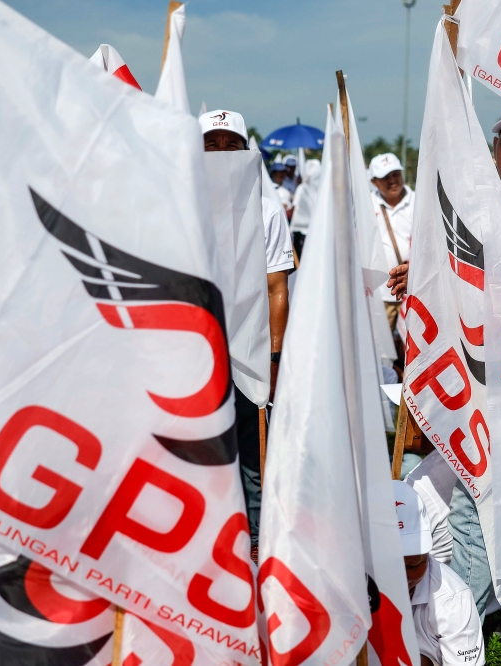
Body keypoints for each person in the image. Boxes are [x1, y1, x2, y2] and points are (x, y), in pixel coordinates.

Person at [386, 104, 501, 619]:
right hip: (474, 375)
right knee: (446, 493)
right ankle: (464, 607)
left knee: (474, 507)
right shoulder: (496, 205)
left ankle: (460, 627)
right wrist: (427, 277)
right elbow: (472, 277)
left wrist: (443, 289)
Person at [200, 109, 294, 558]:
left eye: (230, 145)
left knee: (253, 457)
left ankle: (257, 548)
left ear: (245, 151)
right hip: (196, 350)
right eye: (211, 145)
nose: (221, 153)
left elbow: (277, 287)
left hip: (249, 352)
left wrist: (273, 358)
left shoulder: (266, 209)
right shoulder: (181, 201)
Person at [393, 481, 485, 666]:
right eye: (391, 566)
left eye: (413, 565)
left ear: (427, 553)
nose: (401, 579)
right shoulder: (344, 580)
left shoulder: (452, 600)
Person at [369, 153, 415, 333]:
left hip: (414, 290)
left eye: (396, 174)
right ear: (374, 181)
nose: (393, 180)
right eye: (386, 177)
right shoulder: (365, 205)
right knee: (381, 345)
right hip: (380, 293)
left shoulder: (419, 200)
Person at [290, 158, 322, 258]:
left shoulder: (302, 188)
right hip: (309, 230)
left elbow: (295, 206)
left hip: (303, 229)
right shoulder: (322, 191)